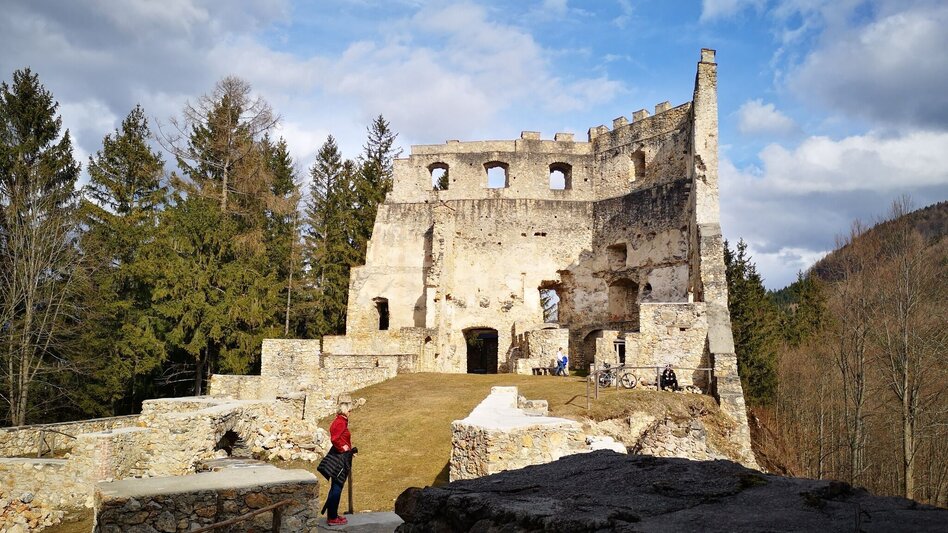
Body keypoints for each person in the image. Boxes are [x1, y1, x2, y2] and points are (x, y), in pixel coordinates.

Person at [319, 397, 357, 526]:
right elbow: (335, 439)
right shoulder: (340, 422)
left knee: (336, 486)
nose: (351, 413)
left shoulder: (342, 421)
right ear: (345, 411)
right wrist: (345, 449)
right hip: (340, 459)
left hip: (343, 456)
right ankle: (332, 518)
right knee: (337, 486)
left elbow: (341, 439)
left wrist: (349, 450)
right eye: (350, 411)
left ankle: (333, 514)